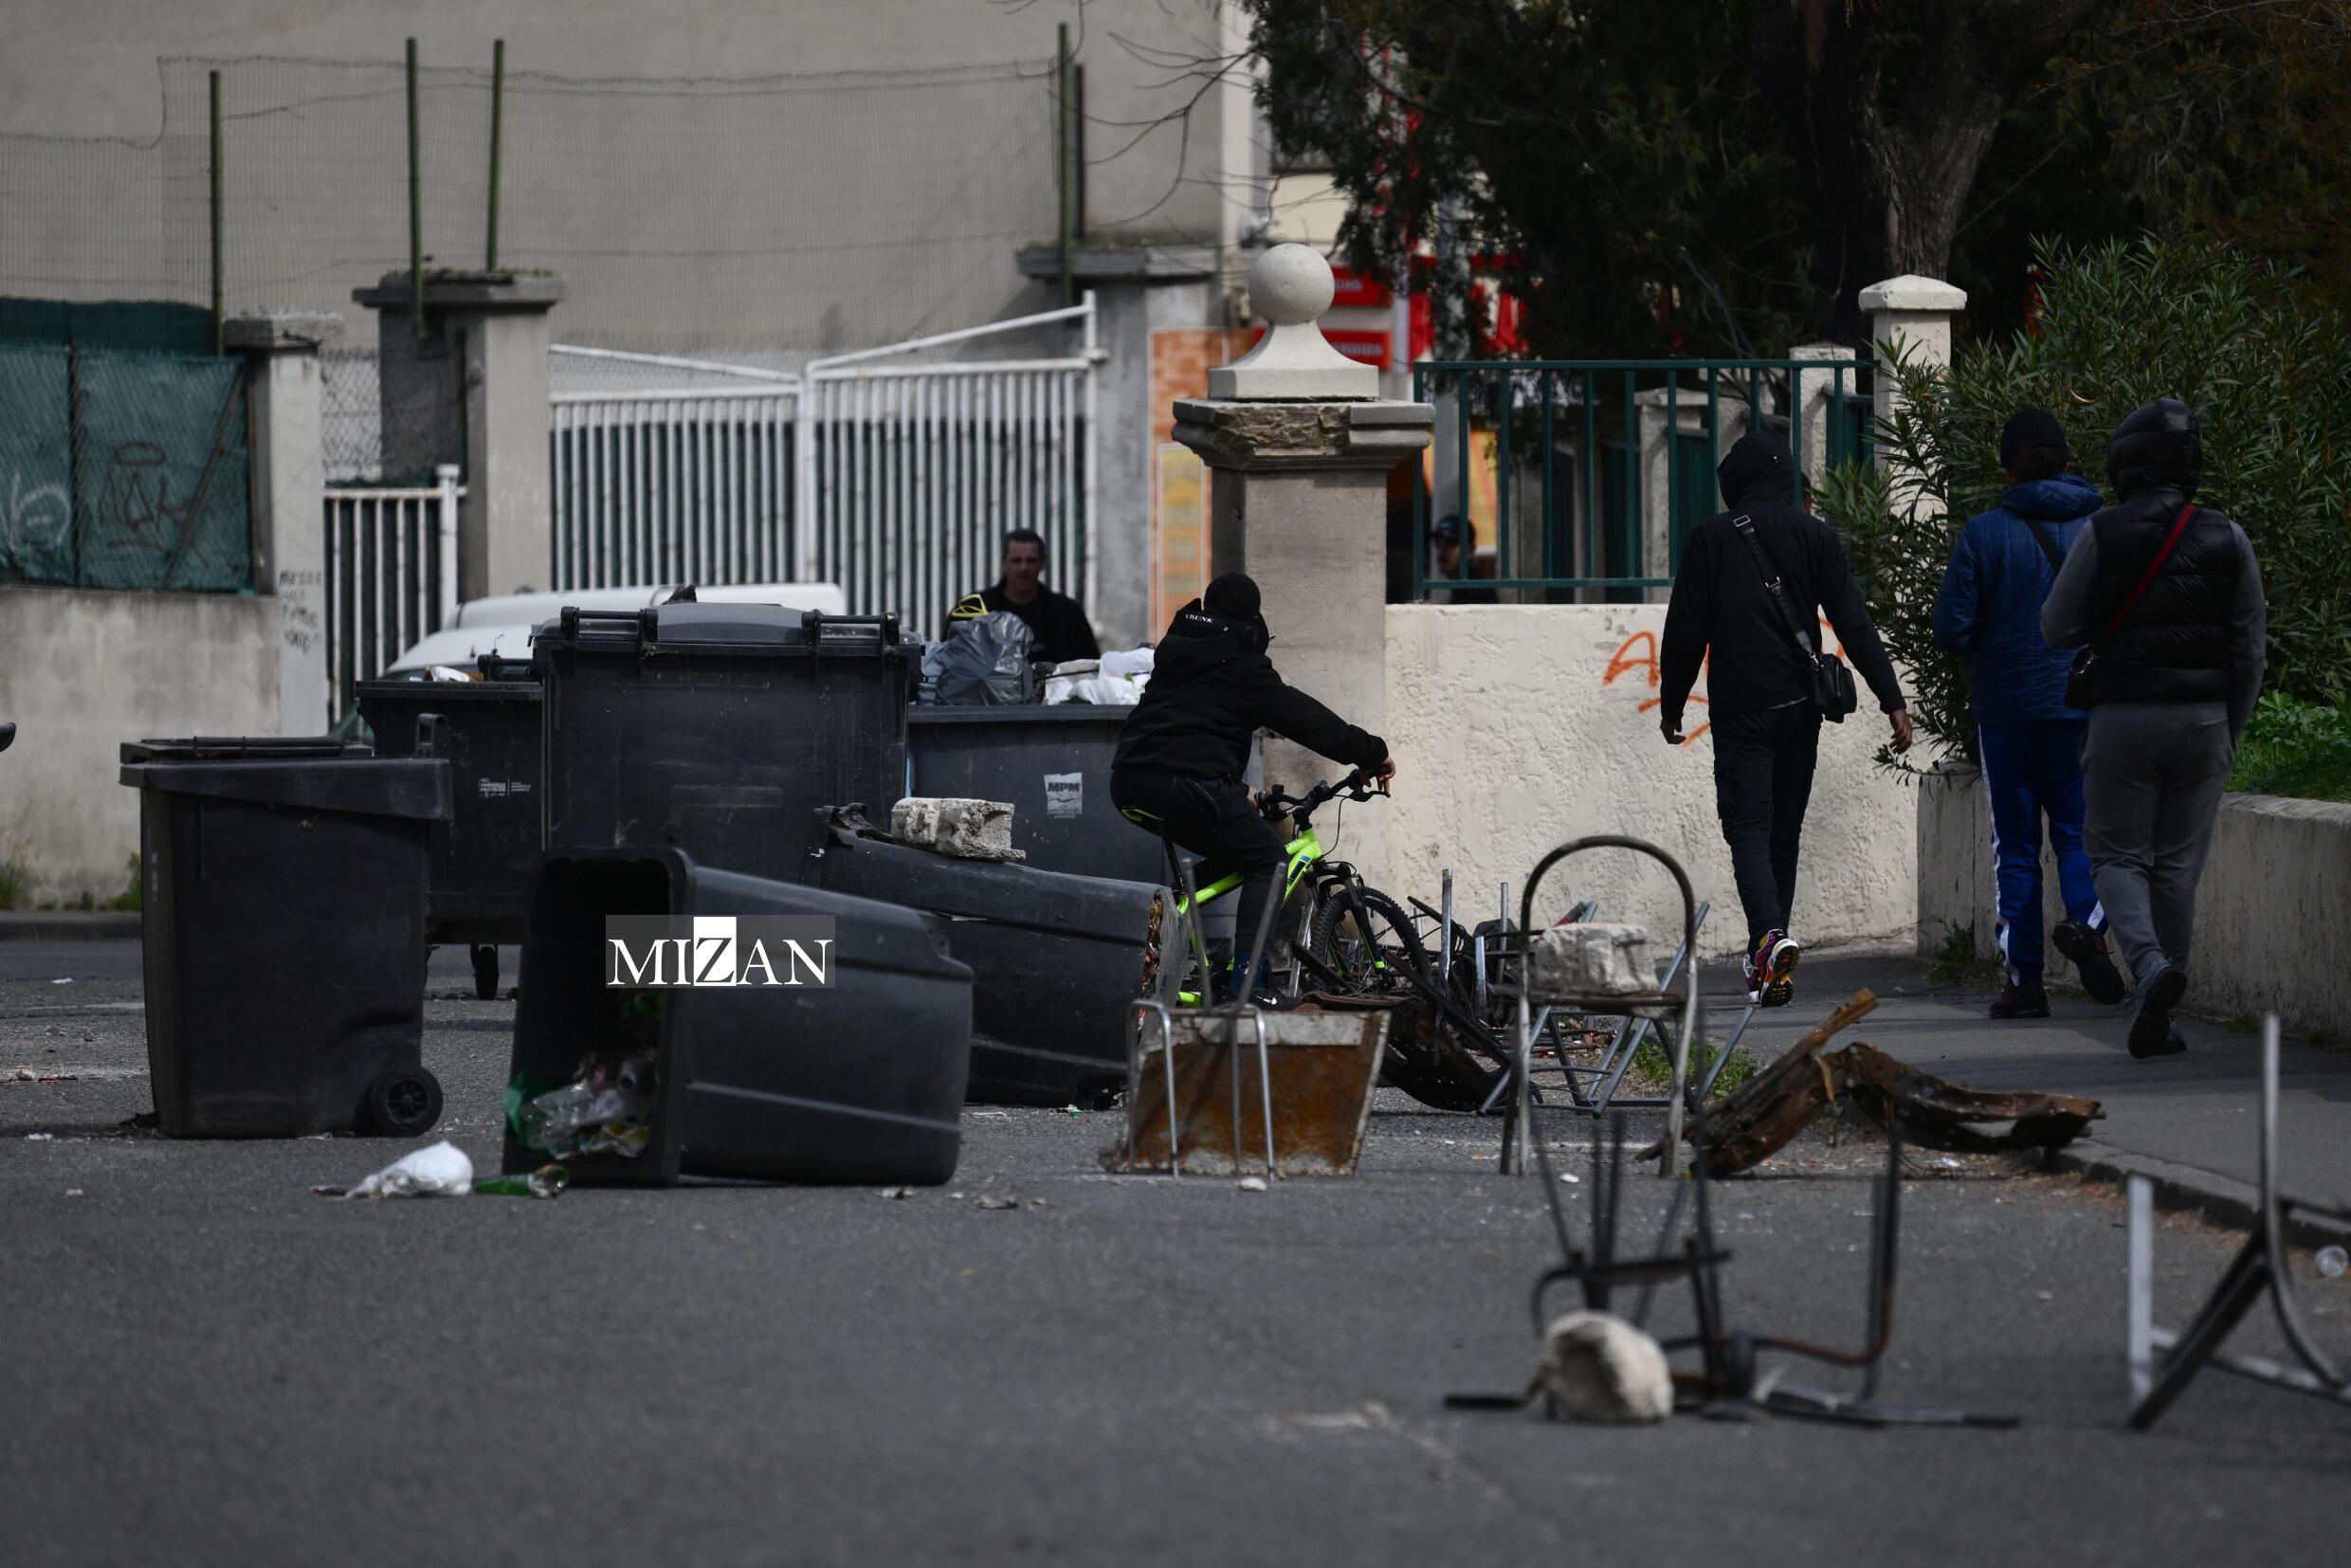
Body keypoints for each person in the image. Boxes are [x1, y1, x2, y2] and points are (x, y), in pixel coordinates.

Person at [2042, 398, 2266, 1060]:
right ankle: (2158, 1013)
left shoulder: (2103, 532)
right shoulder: (2228, 535)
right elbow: (2250, 648)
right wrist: (2232, 727)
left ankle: (2148, 968)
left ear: (2124, 465)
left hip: (2122, 718)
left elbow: (2054, 627)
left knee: (2114, 856)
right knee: (2175, 872)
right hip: (2203, 722)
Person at [1659, 432, 1912, 1009]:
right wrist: (1890, 697)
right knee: (1783, 831)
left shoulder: (1709, 539)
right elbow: (1853, 619)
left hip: (1741, 708)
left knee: (1747, 827)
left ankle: (1768, 939)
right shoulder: (1815, 535)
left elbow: (1684, 633)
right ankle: (1770, 957)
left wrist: (1672, 704)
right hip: (1803, 707)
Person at [1110, 573, 1394, 1008]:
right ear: (1252, 621)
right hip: (1187, 782)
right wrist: (1371, 752)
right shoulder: (1239, 662)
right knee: (1269, 861)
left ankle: (1170, 914)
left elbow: (1190, 725)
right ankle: (1249, 982)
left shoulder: (1180, 651)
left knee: (1236, 852)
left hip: (1132, 778)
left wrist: (1234, 787)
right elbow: (1304, 718)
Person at [1930, 410, 2126, 1020]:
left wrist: (1996, 639)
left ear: (2008, 466)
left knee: (2013, 847)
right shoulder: (2104, 527)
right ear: (2067, 461)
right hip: (2082, 707)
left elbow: (1951, 628)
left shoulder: (1985, 533)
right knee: (2078, 832)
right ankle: (2088, 926)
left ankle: (2024, 982)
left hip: (2007, 713)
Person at [957, 528, 1100, 665]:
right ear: (1003, 562)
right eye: (1016, 560)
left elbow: (1089, 669)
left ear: (1042, 563)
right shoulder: (972, 612)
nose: (1023, 568)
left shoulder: (1068, 614)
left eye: (1031, 561)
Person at [1430, 515, 1500, 605]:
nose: (1441, 552)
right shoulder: (1459, 590)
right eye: (1438, 543)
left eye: (1450, 544)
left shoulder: (1479, 594)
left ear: (1469, 550)